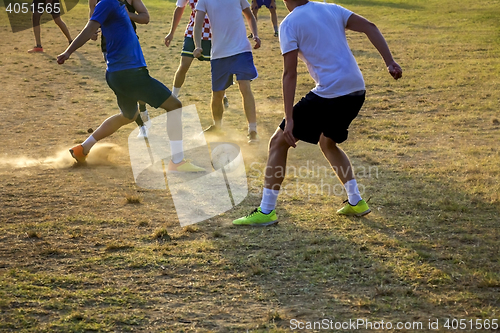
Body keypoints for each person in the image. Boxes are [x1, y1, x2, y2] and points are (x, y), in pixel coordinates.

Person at [232, 0, 403, 226]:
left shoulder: (289, 24)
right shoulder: (331, 8)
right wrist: (389, 61)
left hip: (332, 91)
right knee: (328, 142)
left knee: (277, 142)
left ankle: (266, 211)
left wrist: (289, 120)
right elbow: (370, 26)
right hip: (356, 89)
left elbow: (289, 74)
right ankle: (356, 201)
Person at [57, 0, 205, 173]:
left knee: (129, 115)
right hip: (130, 73)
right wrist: (68, 52)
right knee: (174, 106)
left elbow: (144, 17)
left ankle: (83, 148)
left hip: (118, 73)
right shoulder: (108, 3)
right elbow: (89, 29)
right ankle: (177, 162)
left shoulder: (117, 4)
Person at [193, 0, 261, 144]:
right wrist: (197, 46)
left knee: (244, 86)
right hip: (219, 53)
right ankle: (217, 127)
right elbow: (197, 25)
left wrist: (255, 34)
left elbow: (249, 15)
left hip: (241, 49)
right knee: (218, 94)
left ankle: (252, 131)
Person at [89, 0, 151, 139]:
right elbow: (92, 12)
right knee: (126, 88)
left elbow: (145, 18)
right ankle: (142, 125)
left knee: (138, 84)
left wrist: (128, 14)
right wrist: (93, 30)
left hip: (130, 46)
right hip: (110, 49)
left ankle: (143, 109)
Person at [164, 0, 229, 109]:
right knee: (184, 65)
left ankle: (222, 95)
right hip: (193, 32)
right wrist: (171, 32)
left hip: (215, 33)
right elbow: (180, 8)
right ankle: (174, 97)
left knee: (218, 67)